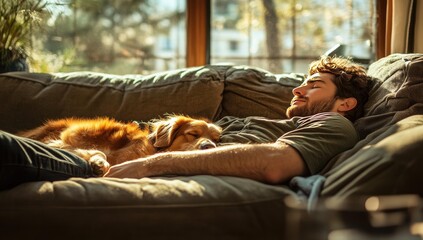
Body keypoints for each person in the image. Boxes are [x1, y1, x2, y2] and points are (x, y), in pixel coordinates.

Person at [0, 56, 371, 190]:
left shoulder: (335, 126)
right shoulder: (274, 122)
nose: (299, 88)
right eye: (303, 81)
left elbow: (275, 165)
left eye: (314, 84)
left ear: (345, 103)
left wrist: (149, 163)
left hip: (108, 167)